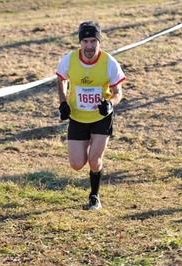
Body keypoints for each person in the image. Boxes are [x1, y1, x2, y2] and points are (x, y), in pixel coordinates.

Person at [56, 21, 125, 210]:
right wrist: (63, 102)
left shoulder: (109, 62)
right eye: (85, 41)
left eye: (93, 41)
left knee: (94, 161)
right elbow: (61, 78)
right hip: (78, 117)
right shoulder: (69, 60)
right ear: (80, 42)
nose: (89, 46)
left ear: (99, 42)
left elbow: (118, 91)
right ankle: (88, 153)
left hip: (101, 117)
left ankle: (94, 196)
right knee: (77, 164)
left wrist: (110, 104)